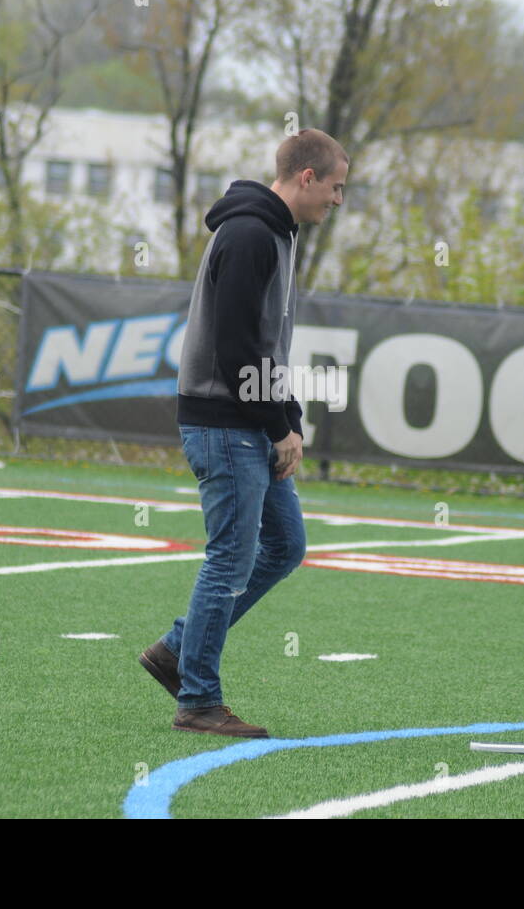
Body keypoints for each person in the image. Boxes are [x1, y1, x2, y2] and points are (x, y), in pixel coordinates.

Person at [138, 129, 349, 738]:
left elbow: (263, 344)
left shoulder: (275, 232)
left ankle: (178, 651)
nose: (338, 201)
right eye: (335, 188)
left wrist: (292, 421)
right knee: (231, 555)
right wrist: (277, 424)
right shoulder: (252, 232)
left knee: (284, 544)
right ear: (307, 177)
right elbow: (234, 349)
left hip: (245, 419)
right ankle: (198, 698)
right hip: (224, 423)